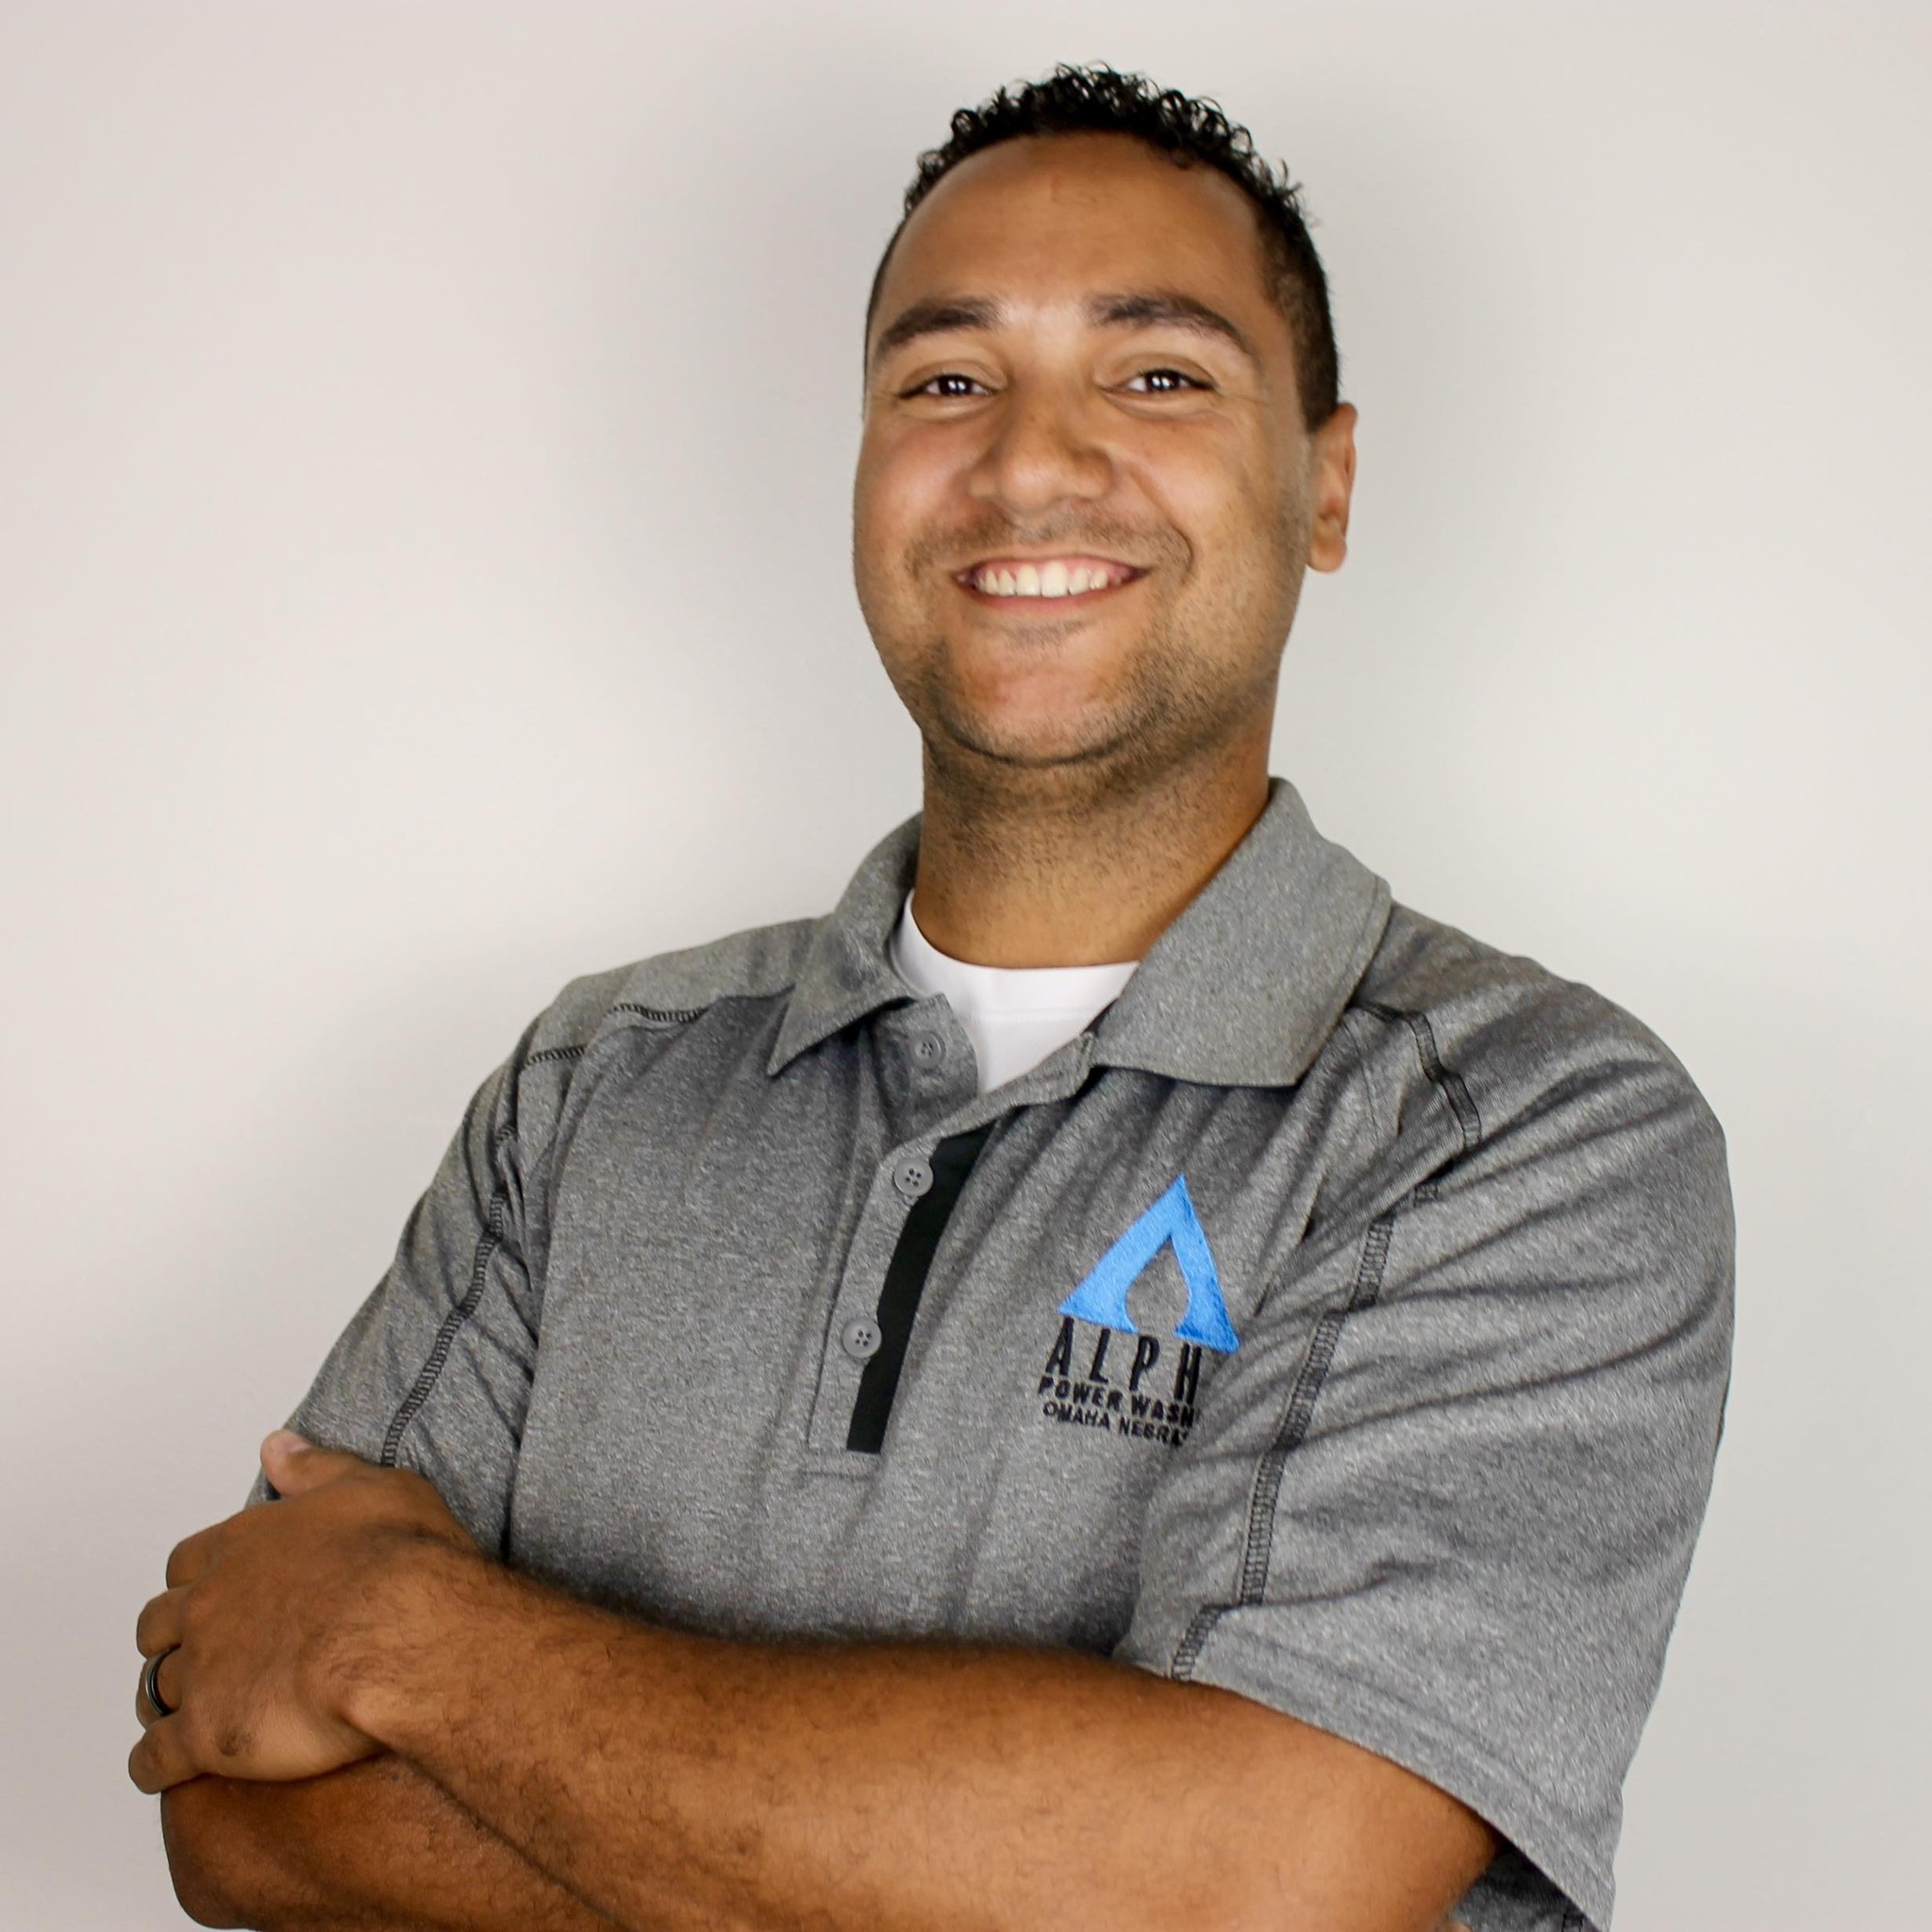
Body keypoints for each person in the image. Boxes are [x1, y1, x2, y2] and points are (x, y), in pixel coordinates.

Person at [129, 66, 1732, 1932]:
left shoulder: (1524, 1127)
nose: (1031, 461)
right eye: (945, 380)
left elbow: (1255, 1884)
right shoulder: (589, 1086)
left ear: (1330, 484)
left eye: (1156, 374)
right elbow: (235, 1811)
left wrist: (404, 1637)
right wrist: (959, 1864)